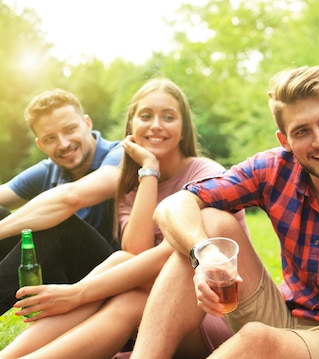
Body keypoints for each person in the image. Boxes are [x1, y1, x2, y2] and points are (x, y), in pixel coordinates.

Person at [128, 65, 319, 359]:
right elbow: (174, 204)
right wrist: (204, 256)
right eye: (302, 131)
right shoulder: (274, 169)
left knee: (258, 340)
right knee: (209, 225)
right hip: (285, 315)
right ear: (284, 139)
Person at [0, 78, 241, 359]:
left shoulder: (207, 174)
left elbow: (167, 257)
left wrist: (78, 293)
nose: (156, 125)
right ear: (132, 128)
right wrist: (149, 170)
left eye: (168, 117)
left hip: (206, 307)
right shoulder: (134, 183)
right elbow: (135, 252)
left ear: (183, 126)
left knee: (124, 285)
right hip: (140, 292)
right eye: (146, 116)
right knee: (122, 265)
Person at [0, 89, 122, 315]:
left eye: (70, 130)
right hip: (68, 277)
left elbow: (70, 198)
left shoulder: (121, 154)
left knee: (59, 225)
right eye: (50, 139)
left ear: (86, 123)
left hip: (115, 277)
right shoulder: (49, 169)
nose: (64, 144)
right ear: (40, 145)